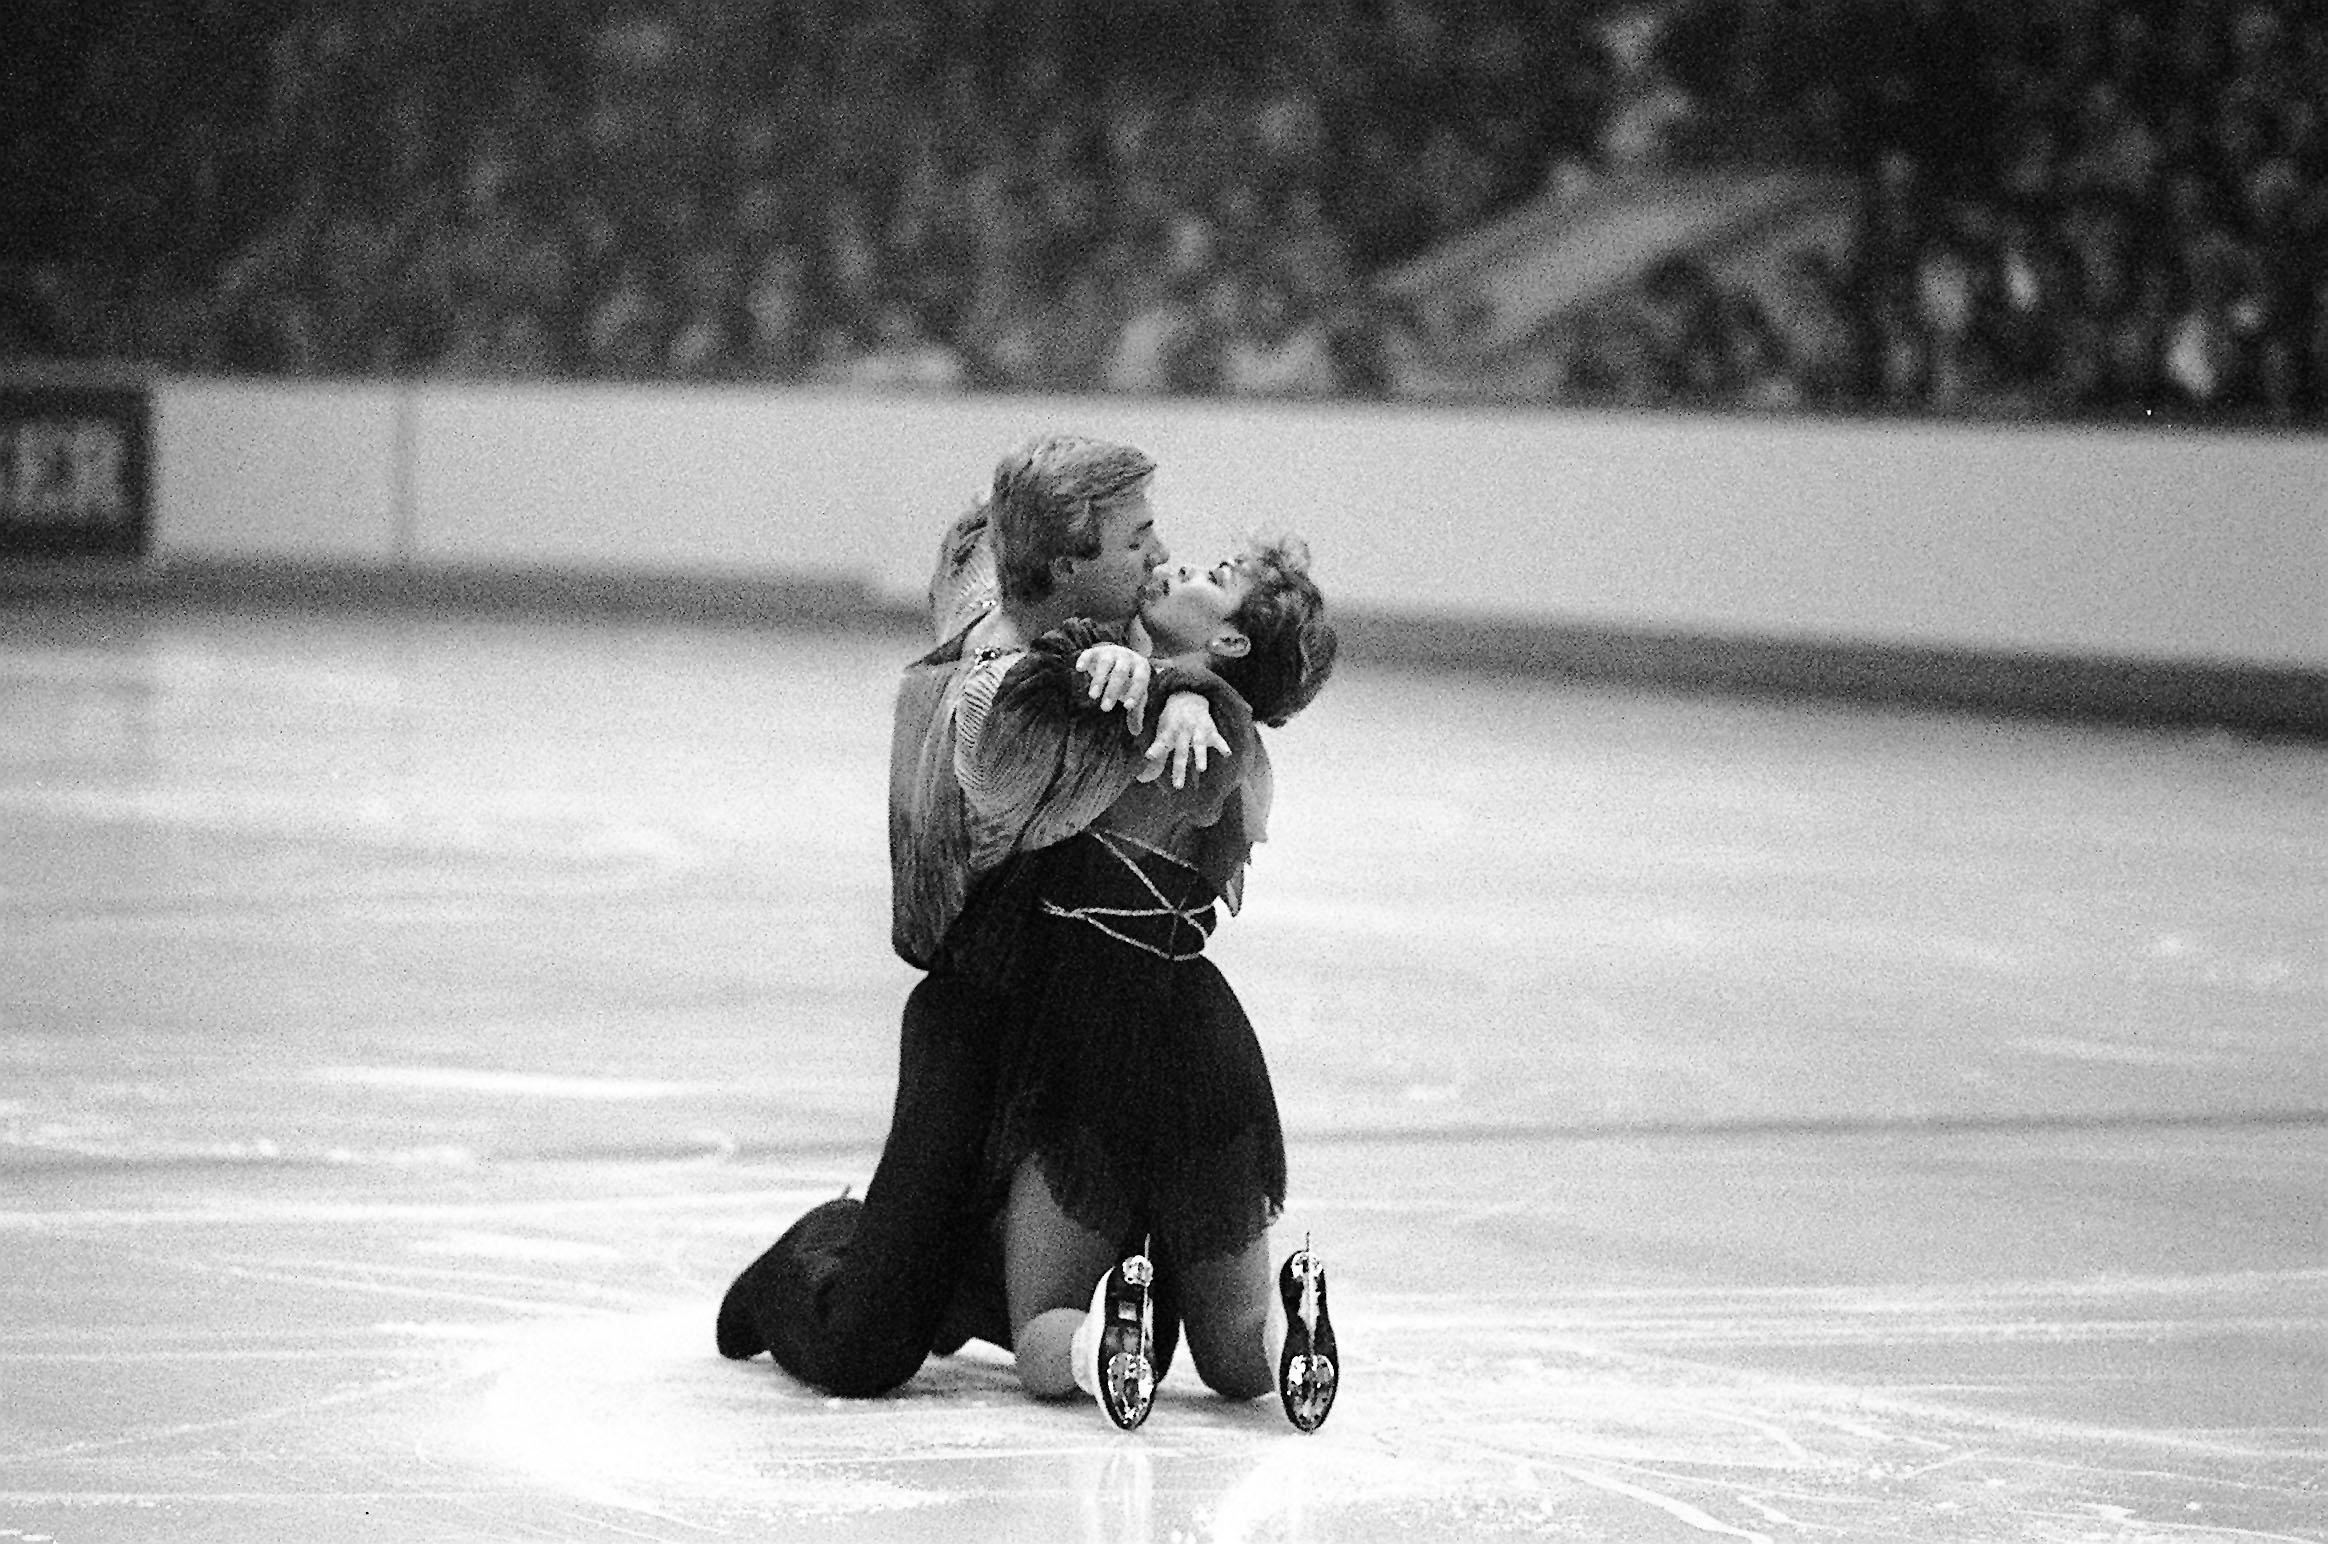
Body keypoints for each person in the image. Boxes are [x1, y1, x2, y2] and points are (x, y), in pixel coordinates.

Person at [716, 433, 1220, 1395]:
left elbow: (1246, 649)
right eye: (1136, 540)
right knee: (868, 1353)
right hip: (976, 1012)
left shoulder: (1059, 590)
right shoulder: (994, 695)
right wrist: (1121, 674)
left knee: (1132, 1339)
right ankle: (808, 1256)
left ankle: (945, 1274)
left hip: (1087, 1014)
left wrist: (1184, 688)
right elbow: (1032, 695)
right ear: (1068, 565)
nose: (1160, 555)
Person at [966, 538, 1342, 1434]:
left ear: (1234, 647)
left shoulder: (1182, 720)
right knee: (1233, 1356)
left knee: (1038, 1324)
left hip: (1094, 1030)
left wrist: (1174, 686)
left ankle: (1097, 1342)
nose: (1178, 571)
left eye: (1213, 580)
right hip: (1203, 1041)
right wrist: (1172, 680)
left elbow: (1074, 683)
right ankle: (1288, 1329)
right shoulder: (1230, 742)